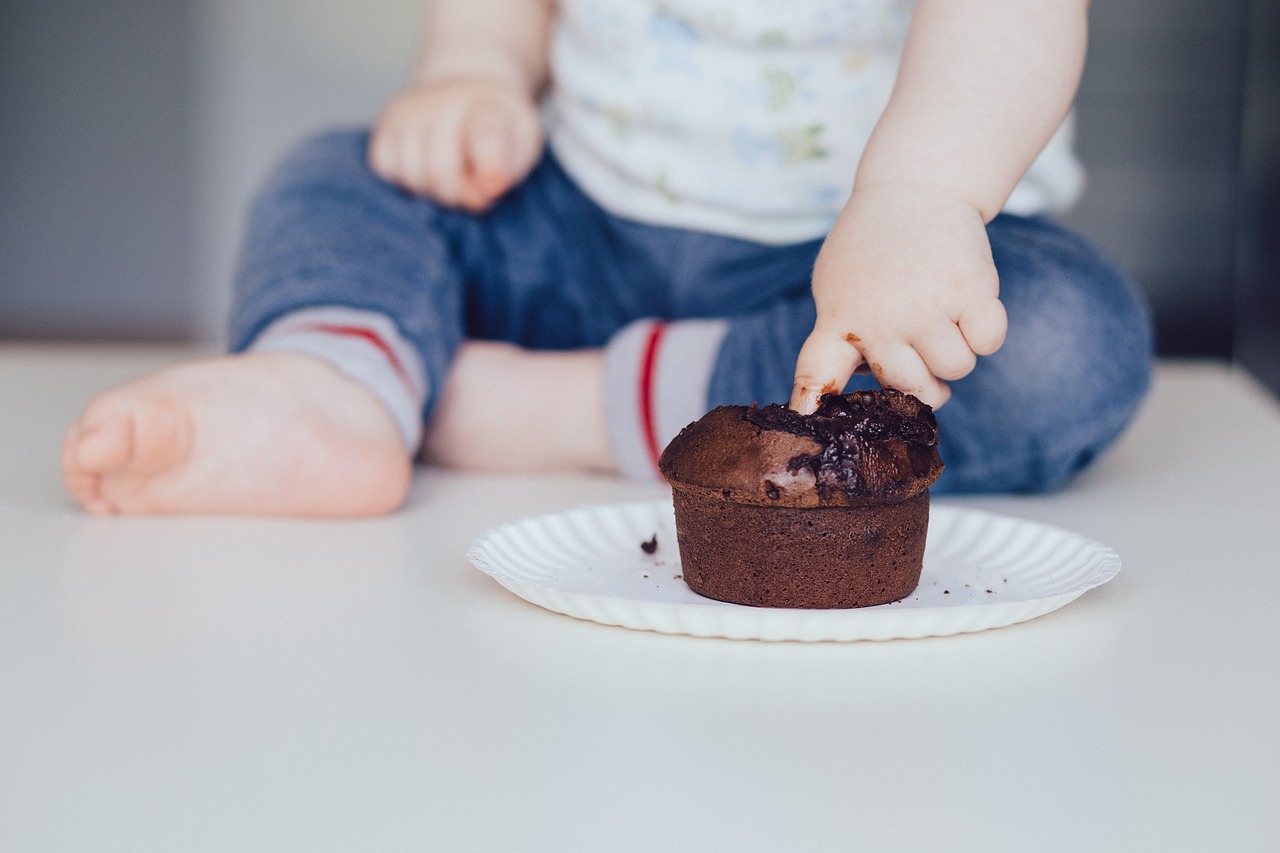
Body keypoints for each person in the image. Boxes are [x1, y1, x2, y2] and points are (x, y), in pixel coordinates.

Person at [61, 0, 1153, 517]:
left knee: (1061, 339)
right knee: (343, 172)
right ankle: (331, 379)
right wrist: (475, 69)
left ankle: (551, 408)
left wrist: (922, 197)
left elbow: (1007, 25)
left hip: (841, 296)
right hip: (579, 234)